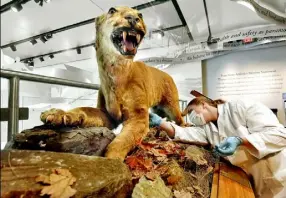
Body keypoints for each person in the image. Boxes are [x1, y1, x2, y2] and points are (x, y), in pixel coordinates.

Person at [149, 97, 286, 198]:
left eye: (191, 111)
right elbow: (185, 133)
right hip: (249, 178)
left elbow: (280, 135)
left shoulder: (242, 106)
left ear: (203, 104)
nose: (191, 117)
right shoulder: (207, 128)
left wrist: (241, 140)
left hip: (274, 174)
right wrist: (160, 122)